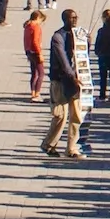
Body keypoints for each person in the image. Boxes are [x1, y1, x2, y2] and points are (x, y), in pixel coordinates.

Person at [42, 8, 86, 160]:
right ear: (65, 19)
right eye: (71, 18)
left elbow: (83, 54)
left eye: (76, 17)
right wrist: (71, 75)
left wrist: (87, 40)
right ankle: (49, 144)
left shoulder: (77, 34)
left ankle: (72, 148)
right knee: (60, 116)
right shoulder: (57, 37)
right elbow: (63, 60)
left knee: (76, 116)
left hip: (75, 80)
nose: (74, 20)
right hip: (61, 80)